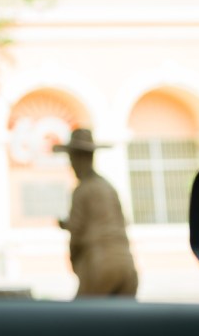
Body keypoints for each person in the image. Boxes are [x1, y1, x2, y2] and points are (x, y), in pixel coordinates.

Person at [54, 128, 138, 298]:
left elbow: (76, 232)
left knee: (81, 321)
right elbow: (122, 222)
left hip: (99, 263)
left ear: (79, 159)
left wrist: (74, 260)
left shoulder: (82, 190)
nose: (71, 165)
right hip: (127, 265)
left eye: (72, 159)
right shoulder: (108, 187)